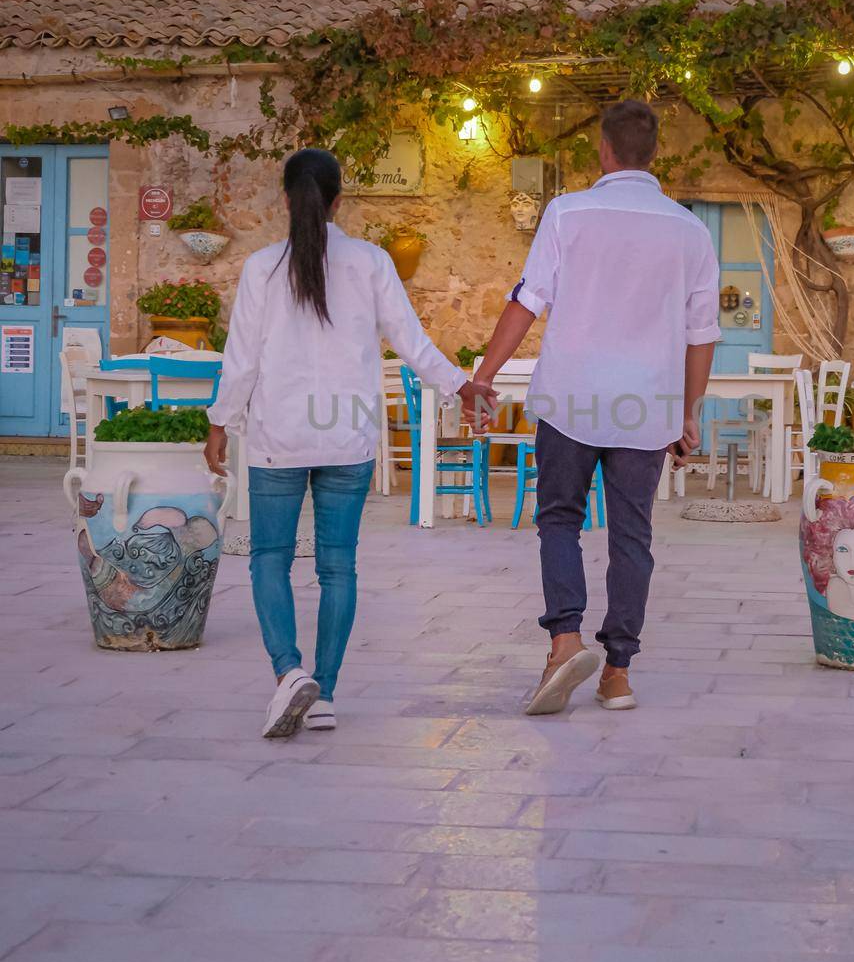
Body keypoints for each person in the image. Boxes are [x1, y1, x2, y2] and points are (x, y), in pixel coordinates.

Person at [204, 148, 489, 740]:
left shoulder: (261, 268)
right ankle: (325, 692)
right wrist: (461, 384)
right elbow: (410, 342)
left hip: (278, 439)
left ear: (285, 200)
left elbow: (242, 362)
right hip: (349, 438)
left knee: (270, 559)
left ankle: (289, 674)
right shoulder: (372, 262)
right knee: (338, 567)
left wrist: (218, 423)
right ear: (339, 202)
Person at [468, 99, 720, 716]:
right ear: (653, 154)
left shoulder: (568, 212)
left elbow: (527, 301)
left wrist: (484, 376)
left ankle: (564, 642)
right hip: (647, 404)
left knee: (560, 519)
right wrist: (687, 413)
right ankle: (617, 675)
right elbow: (702, 331)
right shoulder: (690, 230)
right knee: (633, 535)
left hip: (571, 398)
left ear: (603, 151)